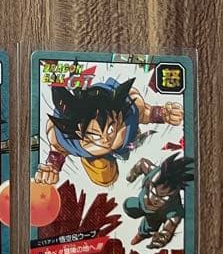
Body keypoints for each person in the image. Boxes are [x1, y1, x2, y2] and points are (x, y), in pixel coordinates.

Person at [35, 77, 184, 187]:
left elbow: (145, 113)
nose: (106, 139)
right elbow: (58, 150)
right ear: (79, 132)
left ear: (118, 117)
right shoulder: (64, 137)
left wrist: (163, 114)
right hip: (96, 156)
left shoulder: (129, 109)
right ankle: (95, 159)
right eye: (96, 135)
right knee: (105, 177)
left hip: (127, 139)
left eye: (110, 129)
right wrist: (52, 167)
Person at [124, 152, 193, 248]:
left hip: (154, 217)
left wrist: (162, 237)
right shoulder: (152, 173)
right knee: (128, 205)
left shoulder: (175, 207)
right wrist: (133, 173)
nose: (156, 200)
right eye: (154, 193)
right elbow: (142, 163)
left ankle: (140, 236)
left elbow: (171, 224)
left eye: (164, 197)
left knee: (148, 228)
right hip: (139, 204)